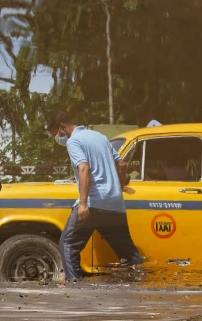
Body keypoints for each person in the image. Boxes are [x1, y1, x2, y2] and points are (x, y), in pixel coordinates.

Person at [48, 110, 142, 281]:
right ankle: (140, 283)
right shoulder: (99, 136)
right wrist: (117, 188)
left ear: (63, 127)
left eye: (57, 134)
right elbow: (122, 164)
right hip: (114, 203)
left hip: (93, 202)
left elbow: (84, 168)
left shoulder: (74, 141)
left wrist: (83, 203)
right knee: (128, 252)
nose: (58, 138)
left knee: (68, 244)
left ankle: (75, 286)